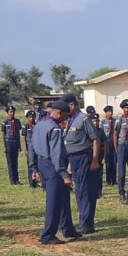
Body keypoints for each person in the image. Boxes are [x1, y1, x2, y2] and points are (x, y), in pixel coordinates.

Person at [30, 100, 82, 245]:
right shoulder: (55, 129)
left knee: (64, 197)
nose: (66, 119)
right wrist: (64, 175)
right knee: (53, 201)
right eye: (65, 116)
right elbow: (56, 154)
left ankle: (68, 228)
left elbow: (32, 147)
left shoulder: (40, 124)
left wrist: (33, 168)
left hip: (42, 163)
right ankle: (48, 235)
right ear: (59, 113)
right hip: (53, 167)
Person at [63, 94, 100, 235]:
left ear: (72, 105)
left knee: (83, 191)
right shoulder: (70, 120)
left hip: (83, 157)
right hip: (74, 159)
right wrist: (69, 163)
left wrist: (95, 160)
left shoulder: (83, 119)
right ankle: (86, 223)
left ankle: (86, 224)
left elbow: (95, 140)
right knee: (80, 191)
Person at [0, 106, 22, 185]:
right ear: (7, 113)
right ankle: (12, 180)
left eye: (13, 111)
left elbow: (18, 134)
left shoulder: (17, 121)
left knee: (15, 161)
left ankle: (17, 179)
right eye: (10, 112)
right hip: (8, 142)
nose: (12, 113)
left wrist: (19, 145)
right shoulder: (5, 122)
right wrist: (4, 146)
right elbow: (3, 135)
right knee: (10, 162)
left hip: (15, 142)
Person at [90, 112, 106, 199]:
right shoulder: (88, 131)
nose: (95, 123)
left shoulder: (101, 131)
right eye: (93, 121)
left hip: (100, 155)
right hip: (91, 156)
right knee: (91, 175)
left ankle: (99, 192)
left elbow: (105, 144)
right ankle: (92, 191)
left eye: (97, 121)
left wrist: (104, 157)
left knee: (99, 175)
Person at [101, 106, 117, 186]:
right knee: (108, 163)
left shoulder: (115, 121)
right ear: (106, 113)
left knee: (114, 162)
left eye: (111, 112)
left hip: (114, 142)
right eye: (109, 112)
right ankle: (108, 180)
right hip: (106, 142)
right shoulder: (103, 122)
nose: (111, 113)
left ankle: (114, 180)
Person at [24, 110, 40, 188]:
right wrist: (25, 149)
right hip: (29, 147)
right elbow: (23, 138)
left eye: (33, 117)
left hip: (37, 147)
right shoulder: (26, 126)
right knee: (31, 164)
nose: (32, 118)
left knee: (37, 164)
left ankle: (37, 181)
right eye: (30, 117)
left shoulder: (37, 125)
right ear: (27, 118)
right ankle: (31, 183)